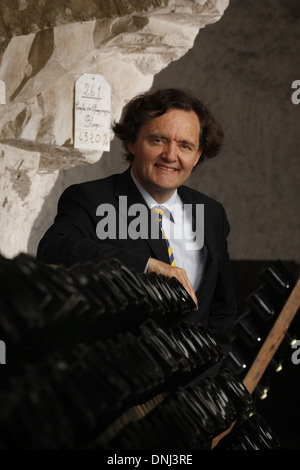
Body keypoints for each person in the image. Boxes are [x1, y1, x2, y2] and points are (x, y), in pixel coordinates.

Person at [37, 88, 236, 354]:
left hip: (190, 389)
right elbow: (53, 249)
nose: (170, 155)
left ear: (198, 155)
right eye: (158, 140)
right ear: (132, 142)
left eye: (185, 146)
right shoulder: (91, 199)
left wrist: (213, 373)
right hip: (119, 382)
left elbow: (222, 309)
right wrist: (145, 265)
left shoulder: (211, 214)